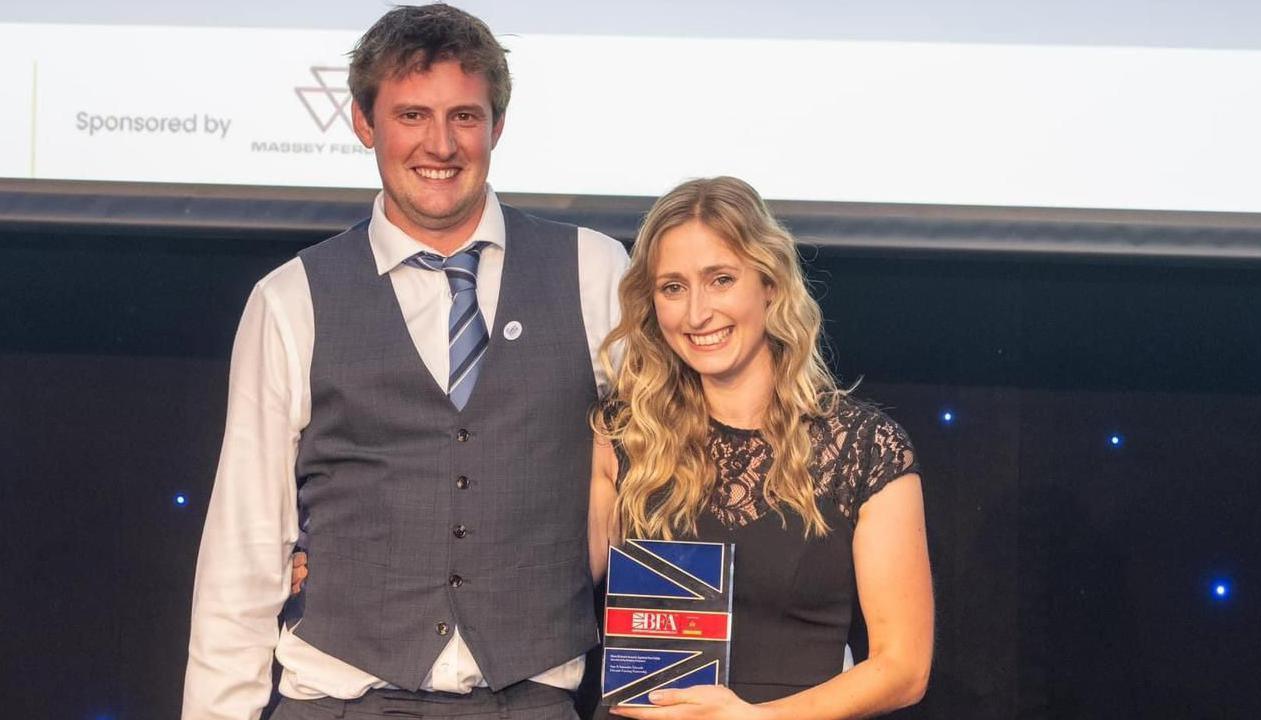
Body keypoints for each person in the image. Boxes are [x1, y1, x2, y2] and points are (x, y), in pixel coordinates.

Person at [182, 5, 628, 719]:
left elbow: (685, 470)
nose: (441, 144)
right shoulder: (292, 298)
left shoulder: (595, 272)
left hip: (530, 699)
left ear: (497, 127)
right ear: (364, 124)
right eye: (413, 115)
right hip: (337, 698)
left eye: (465, 116)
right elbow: (246, 540)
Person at [586, 177, 934, 719]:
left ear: (769, 285)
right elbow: (551, 590)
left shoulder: (866, 449)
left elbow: (904, 668)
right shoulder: (623, 435)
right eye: (672, 287)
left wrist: (754, 719)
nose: (696, 313)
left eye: (720, 279)